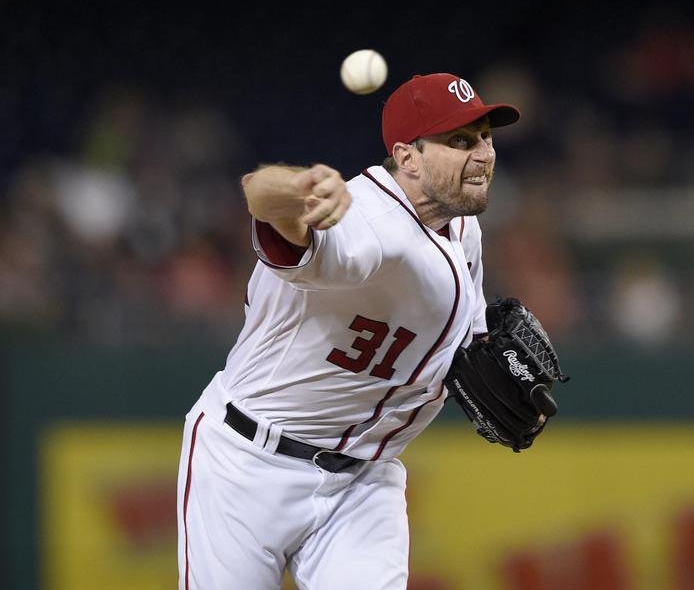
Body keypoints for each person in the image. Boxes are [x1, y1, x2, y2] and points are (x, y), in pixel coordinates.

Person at [177, 72, 521, 589]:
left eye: (485, 137)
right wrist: (297, 189)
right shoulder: (364, 226)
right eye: (460, 141)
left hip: (363, 481)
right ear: (407, 158)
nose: (483, 154)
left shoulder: (460, 224)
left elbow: (469, 343)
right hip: (246, 465)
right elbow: (259, 194)